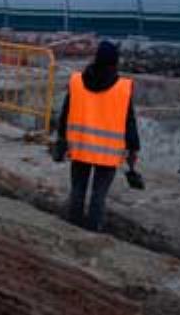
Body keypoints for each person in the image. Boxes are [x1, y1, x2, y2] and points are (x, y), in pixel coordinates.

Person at [51, 40, 140, 232]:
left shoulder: (77, 82)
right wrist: (133, 149)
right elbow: (129, 121)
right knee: (99, 195)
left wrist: (61, 139)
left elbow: (65, 113)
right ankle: (92, 231)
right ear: (115, 61)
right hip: (108, 154)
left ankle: (73, 226)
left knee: (78, 190)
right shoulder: (122, 88)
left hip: (80, 148)